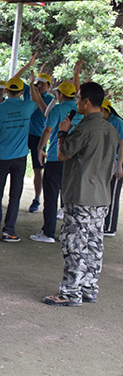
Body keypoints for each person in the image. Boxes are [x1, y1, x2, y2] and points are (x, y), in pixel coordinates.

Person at [42, 82, 118, 306]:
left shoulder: (84, 128)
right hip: (102, 196)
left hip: (81, 195)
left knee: (74, 244)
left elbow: (63, 154)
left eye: (78, 99)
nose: (76, 103)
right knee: (94, 244)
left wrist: (63, 132)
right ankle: (89, 288)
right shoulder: (111, 129)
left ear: (86, 102)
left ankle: (69, 292)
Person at [0, 77, 37, 242]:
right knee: (15, 195)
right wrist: (31, 85)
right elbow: (35, 99)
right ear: (21, 92)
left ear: (6, 91)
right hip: (20, 158)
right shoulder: (28, 106)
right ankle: (9, 230)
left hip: (1, 157)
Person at [31, 81, 80, 244]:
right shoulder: (82, 110)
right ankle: (69, 233)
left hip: (56, 157)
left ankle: (48, 232)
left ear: (60, 95)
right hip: (76, 160)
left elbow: (48, 130)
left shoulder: (58, 109)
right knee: (71, 198)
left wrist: (40, 148)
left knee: (51, 196)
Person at [28, 72, 54, 212]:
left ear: (49, 86)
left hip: (39, 137)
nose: (39, 86)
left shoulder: (50, 100)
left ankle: (37, 198)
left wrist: (36, 92)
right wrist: (32, 86)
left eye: (42, 84)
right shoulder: (29, 92)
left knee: (38, 169)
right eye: (37, 83)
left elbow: (45, 111)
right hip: (24, 135)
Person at [102, 99, 123, 236]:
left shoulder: (117, 122)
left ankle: (110, 227)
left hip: (118, 162)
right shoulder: (104, 122)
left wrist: (120, 165)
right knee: (106, 194)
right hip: (108, 162)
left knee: (113, 194)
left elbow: (122, 145)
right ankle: (104, 223)